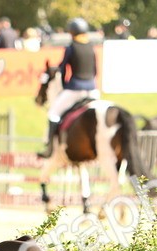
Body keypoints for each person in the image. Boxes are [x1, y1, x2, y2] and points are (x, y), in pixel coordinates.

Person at [39, 17, 98, 159]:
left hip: (75, 89)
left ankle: (50, 148)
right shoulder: (91, 47)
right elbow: (95, 71)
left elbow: (63, 69)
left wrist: (66, 87)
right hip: (93, 90)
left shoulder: (71, 48)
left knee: (53, 113)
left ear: (72, 32)